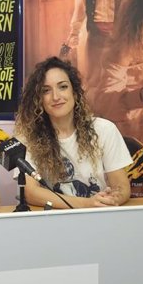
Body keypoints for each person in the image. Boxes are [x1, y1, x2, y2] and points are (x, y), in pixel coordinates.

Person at [14, 56, 132, 209]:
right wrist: (86, 204)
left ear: (75, 93)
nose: (56, 97)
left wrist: (112, 199)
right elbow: (30, 193)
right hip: (52, 222)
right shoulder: (26, 138)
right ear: (39, 99)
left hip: (98, 217)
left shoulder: (104, 130)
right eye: (46, 91)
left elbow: (121, 186)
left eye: (62, 87)